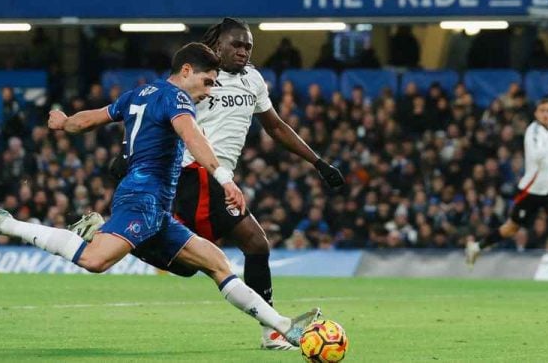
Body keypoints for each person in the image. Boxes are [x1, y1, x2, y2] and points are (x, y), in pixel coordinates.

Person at [0, 43, 319, 348]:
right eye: (207, 82)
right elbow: (194, 139)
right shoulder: (177, 98)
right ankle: (9, 224)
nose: (209, 90)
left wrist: (64, 122)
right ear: (187, 70)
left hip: (156, 206)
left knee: (217, 263)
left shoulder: (140, 93)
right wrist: (226, 179)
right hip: (143, 198)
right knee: (95, 261)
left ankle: (285, 327)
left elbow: (90, 120)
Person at [64, 18, 346, 350]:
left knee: (236, 251)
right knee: (220, 254)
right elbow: (155, 114)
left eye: (248, 46)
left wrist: (317, 161)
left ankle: (271, 332)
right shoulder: (197, 80)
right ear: (217, 46)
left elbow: (277, 127)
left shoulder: (253, 81)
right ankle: (106, 234)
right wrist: (131, 154)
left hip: (218, 179)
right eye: (236, 45)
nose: (243, 51)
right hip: (186, 175)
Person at [465, 98, 548, 280]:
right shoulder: (533, 131)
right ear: (536, 114)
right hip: (531, 190)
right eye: (542, 110)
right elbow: (535, 155)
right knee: (511, 229)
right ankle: (476, 247)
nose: (546, 114)